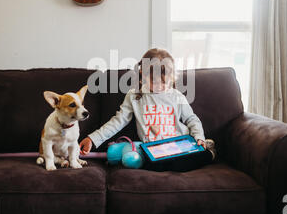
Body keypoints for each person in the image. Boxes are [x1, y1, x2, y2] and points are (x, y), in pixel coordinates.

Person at [79, 48, 216, 172]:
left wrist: (199, 137)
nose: (160, 86)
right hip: (154, 149)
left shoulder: (176, 96)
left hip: (179, 145)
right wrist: (93, 138)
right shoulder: (135, 96)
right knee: (153, 165)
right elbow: (117, 121)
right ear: (143, 75)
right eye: (155, 82)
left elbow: (192, 119)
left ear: (172, 77)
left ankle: (208, 151)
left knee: (183, 163)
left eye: (165, 82)